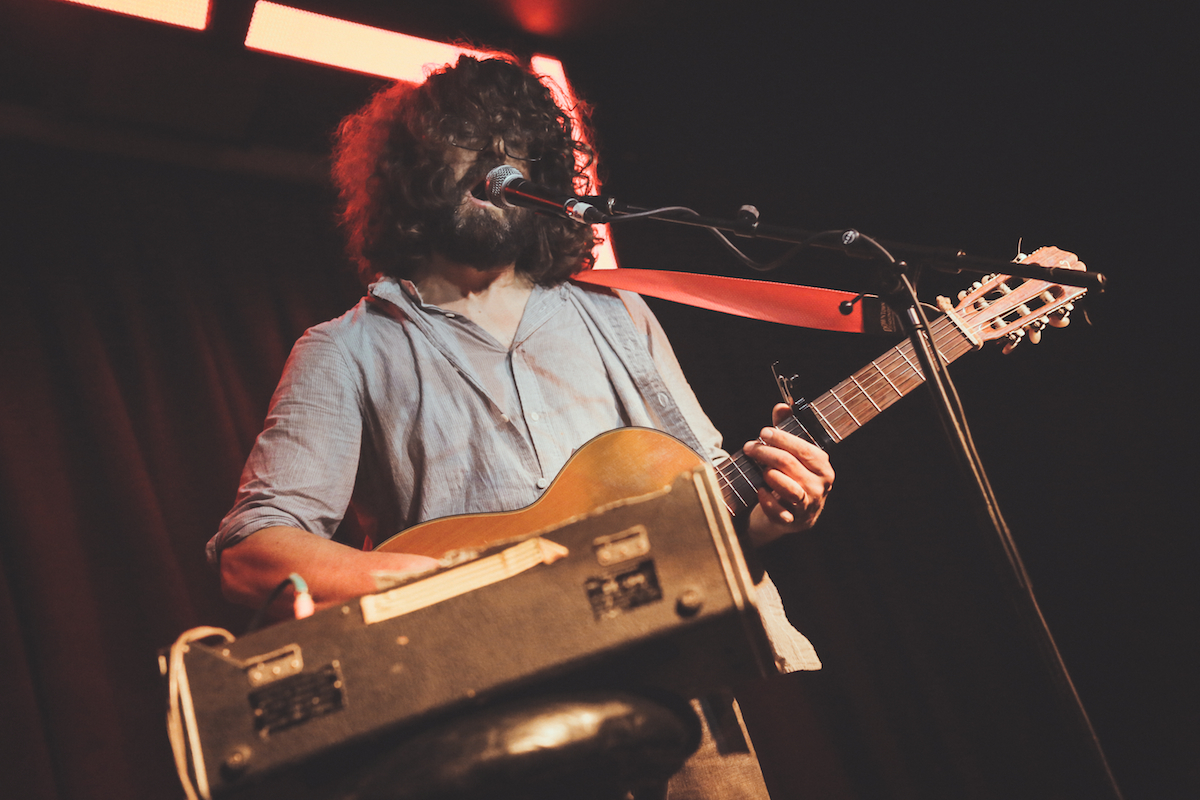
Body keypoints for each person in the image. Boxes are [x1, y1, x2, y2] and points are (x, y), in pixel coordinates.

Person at [209, 54, 834, 799]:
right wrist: (436, 581)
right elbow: (252, 551)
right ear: (411, 170)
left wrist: (773, 516)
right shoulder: (347, 350)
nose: (498, 161)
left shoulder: (619, 315)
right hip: (491, 734)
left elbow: (703, 507)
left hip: (681, 711)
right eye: (470, 141)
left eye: (515, 147)